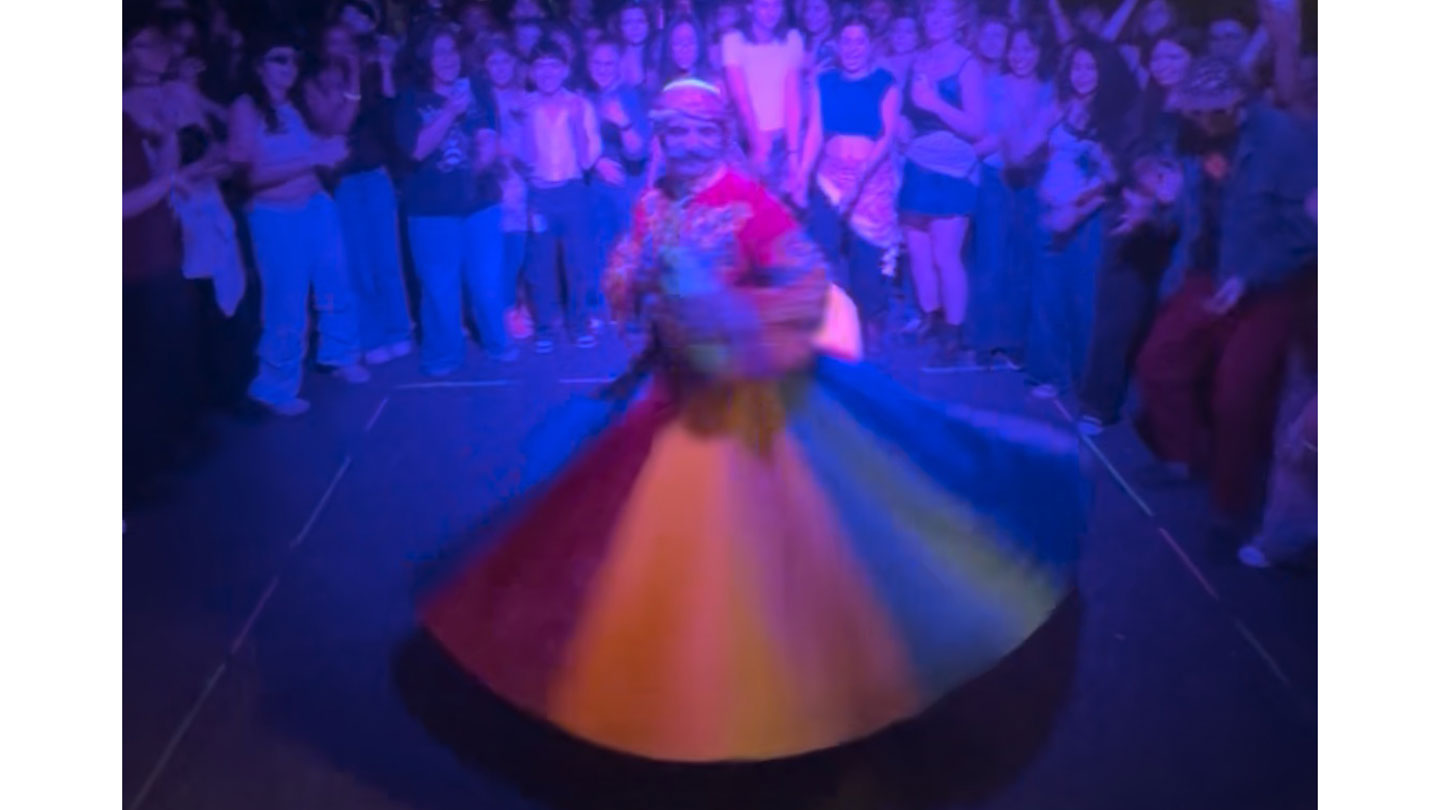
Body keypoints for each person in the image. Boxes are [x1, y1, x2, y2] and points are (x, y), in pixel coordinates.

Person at [419, 77, 1088, 764]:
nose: (684, 145)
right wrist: (643, 281)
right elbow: (626, 277)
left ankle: (783, 695)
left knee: (771, 556)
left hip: (748, 401)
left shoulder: (750, 202)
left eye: (699, 133)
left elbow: (806, 283)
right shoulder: (652, 203)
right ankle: (678, 691)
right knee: (660, 550)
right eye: (673, 133)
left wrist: (733, 320)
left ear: (721, 136)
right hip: (673, 395)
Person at [1132, 56, 1317, 553]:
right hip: (1206, 270)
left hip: (1267, 286)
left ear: (1237, 105)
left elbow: (1309, 227)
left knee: (1236, 395)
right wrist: (1153, 206)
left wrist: (1251, 275)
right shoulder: (1196, 131)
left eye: (1207, 111)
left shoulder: (1286, 141)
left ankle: (1229, 506)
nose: (1197, 120)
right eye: (1192, 111)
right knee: (1158, 361)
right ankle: (1185, 455)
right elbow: (1188, 197)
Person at [229, 28, 368, 416]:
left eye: (293, 59)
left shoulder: (292, 104)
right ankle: (274, 385)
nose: (289, 67)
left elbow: (337, 129)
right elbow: (246, 176)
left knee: (336, 284)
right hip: (275, 216)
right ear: (258, 66)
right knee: (286, 302)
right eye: (279, 59)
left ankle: (340, 355)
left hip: (315, 206)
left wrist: (354, 81)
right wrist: (314, 159)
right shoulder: (246, 106)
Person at [394, 25, 513, 370]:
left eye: (451, 50)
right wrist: (449, 111)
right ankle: (444, 353)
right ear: (424, 60)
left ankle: (497, 342)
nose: (448, 59)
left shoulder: (477, 86)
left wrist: (481, 163)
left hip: (480, 204)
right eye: (438, 52)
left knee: (488, 283)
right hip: (431, 210)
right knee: (439, 290)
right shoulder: (410, 99)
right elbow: (416, 150)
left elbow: (490, 133)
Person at [307, 19, 412, 366]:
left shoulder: (367, 76)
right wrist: (353, 79)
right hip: (344, 181)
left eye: (346, 41)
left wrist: (381, 69)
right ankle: (372, 336)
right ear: (322, 49)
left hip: (376, 174)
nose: (341, 48)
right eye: (333, 42)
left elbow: (390, 111)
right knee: (359, 265)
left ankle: (398, 329)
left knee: (387, 260)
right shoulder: (312, 86)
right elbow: (335, 126)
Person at [794, 15, 901, 350]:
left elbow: (886, 138)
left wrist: (859, 179)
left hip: (871, 183)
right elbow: (814, 133)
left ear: (871, 45)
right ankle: (828, 340)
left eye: (860, 41)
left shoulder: (885, 82)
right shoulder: (824, 82)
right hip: (829, 180)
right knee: (822, 257)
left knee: (867, 270)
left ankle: (872, 339)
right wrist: (800, 175)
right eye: (847, 41)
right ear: (837, 45)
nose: (853, 47)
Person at [896, 0, 987, 371]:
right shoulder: (918, 60)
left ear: (958, 20)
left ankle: (953, 333)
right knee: (917, 251)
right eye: (930, 12)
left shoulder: (968, 65)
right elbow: (907, 111)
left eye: (944, 13)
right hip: (918, 162)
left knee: (945, 255)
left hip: (951, 168)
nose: (935, 20)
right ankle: (931, 319)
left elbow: (976, 126)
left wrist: (934, 103)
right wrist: (903, 128)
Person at [518, 38, 603, 351]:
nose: (547, 72)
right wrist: (525, 120)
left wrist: (577, 120)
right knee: (540, 265)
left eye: (554, 65)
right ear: (531, 71)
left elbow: (585, 161)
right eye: (539, 66)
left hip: (573, 191)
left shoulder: (581, 105)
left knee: (577, 262)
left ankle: (579, 323)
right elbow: (525, 159)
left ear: (565, 70)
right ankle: (544, 327)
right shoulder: (524, 105)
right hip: (539, 193)